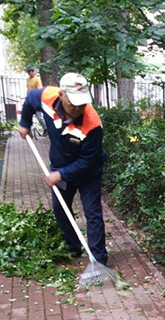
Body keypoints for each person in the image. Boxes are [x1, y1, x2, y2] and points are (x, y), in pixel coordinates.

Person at [18, 72, 109, 265]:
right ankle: (73, 246)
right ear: (61, 95)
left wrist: (61, 175)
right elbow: (29, 100)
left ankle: (98, 259)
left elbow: (89, 160)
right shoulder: (46, 97)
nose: (77, 108)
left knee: (92, 212)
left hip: (88, 172)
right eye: (73, 103)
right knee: (60, 209)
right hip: (60, 164)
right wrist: (24, 123)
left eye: (82, 103)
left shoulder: (92, 124)